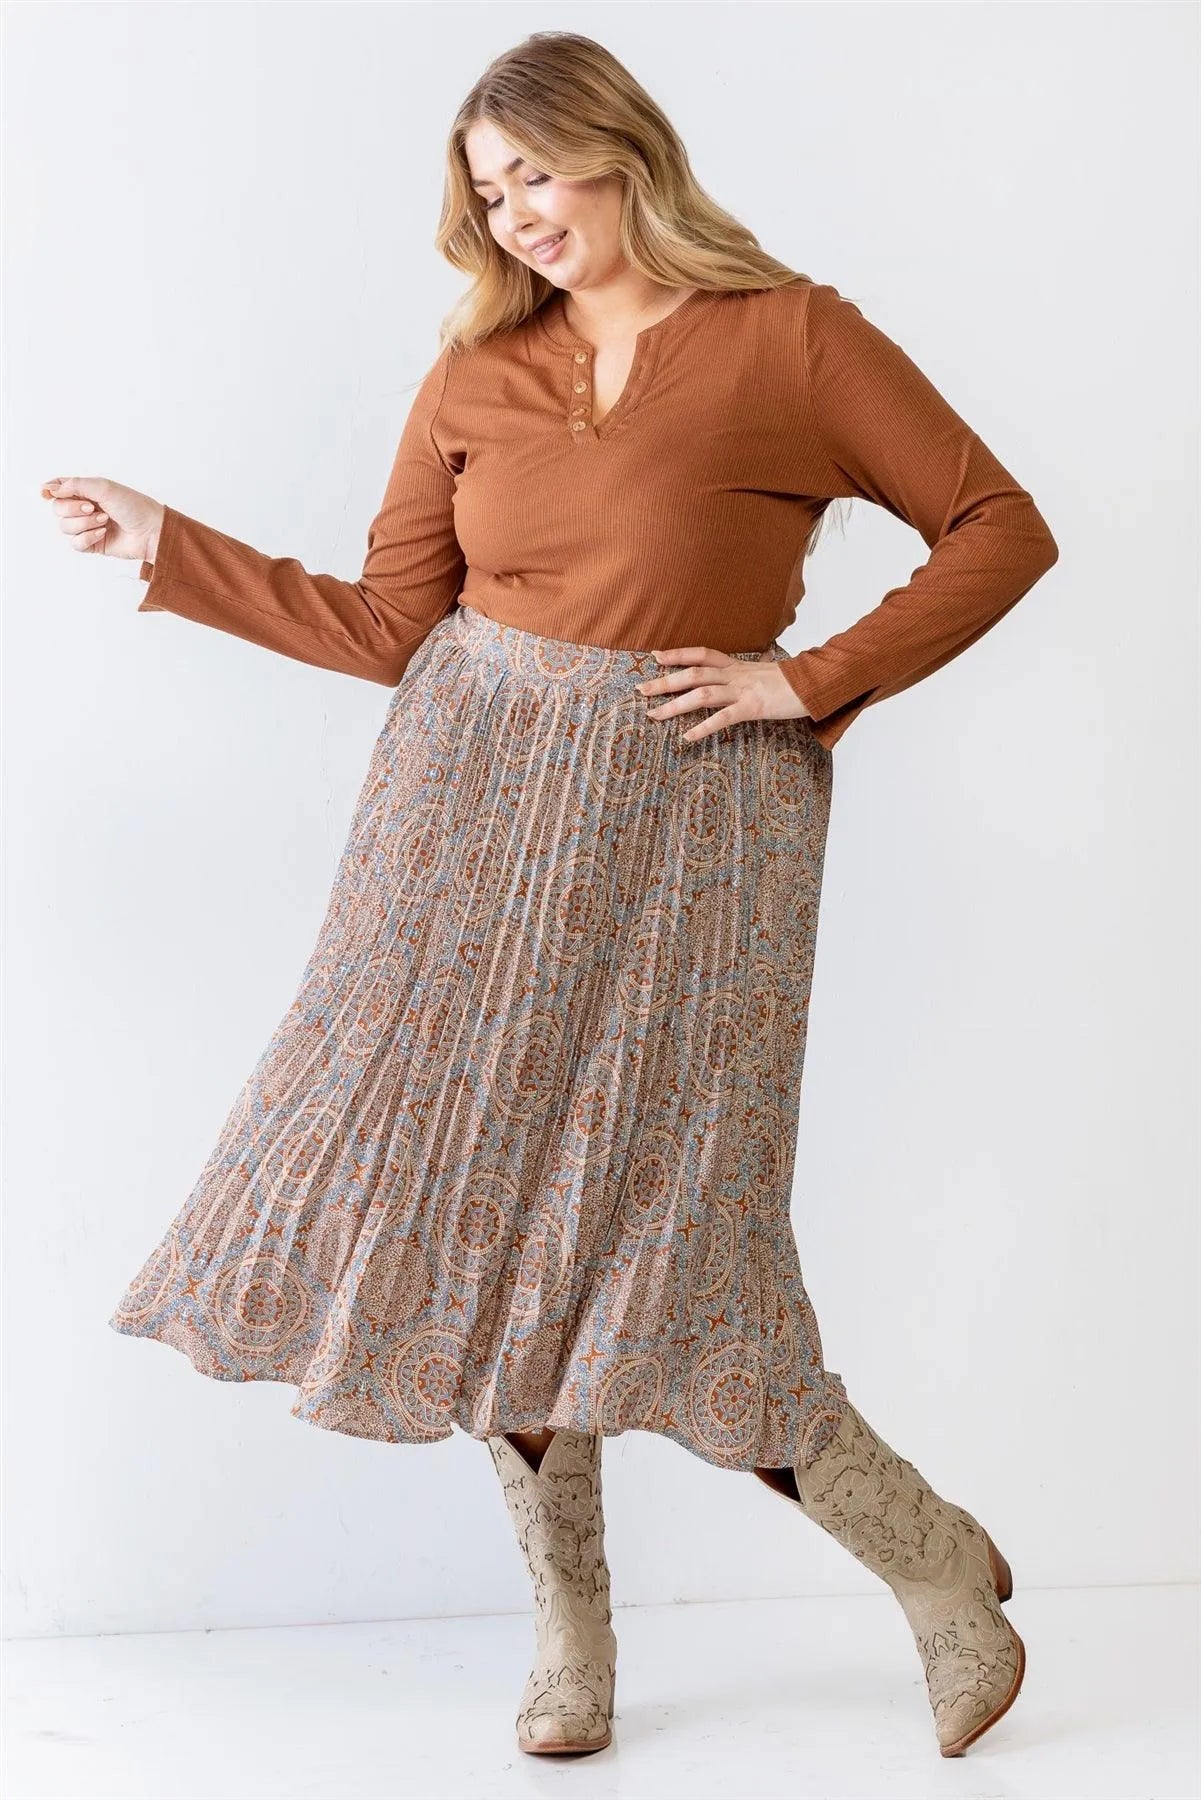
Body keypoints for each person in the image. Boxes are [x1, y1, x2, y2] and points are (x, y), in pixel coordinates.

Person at [41, 28, 1057, 1766]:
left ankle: (927, 1563)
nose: (513, 212)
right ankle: (571, 1631)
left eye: (535, 172)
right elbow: (392, 624)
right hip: (458, 814)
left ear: (622, 153)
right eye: (485, 188)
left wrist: (808, 678)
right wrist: (167, 544)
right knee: (478, 1211)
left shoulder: (791, 335)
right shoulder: (475, 368)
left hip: (694, 828)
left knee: (678, 1222)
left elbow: (997, 527)